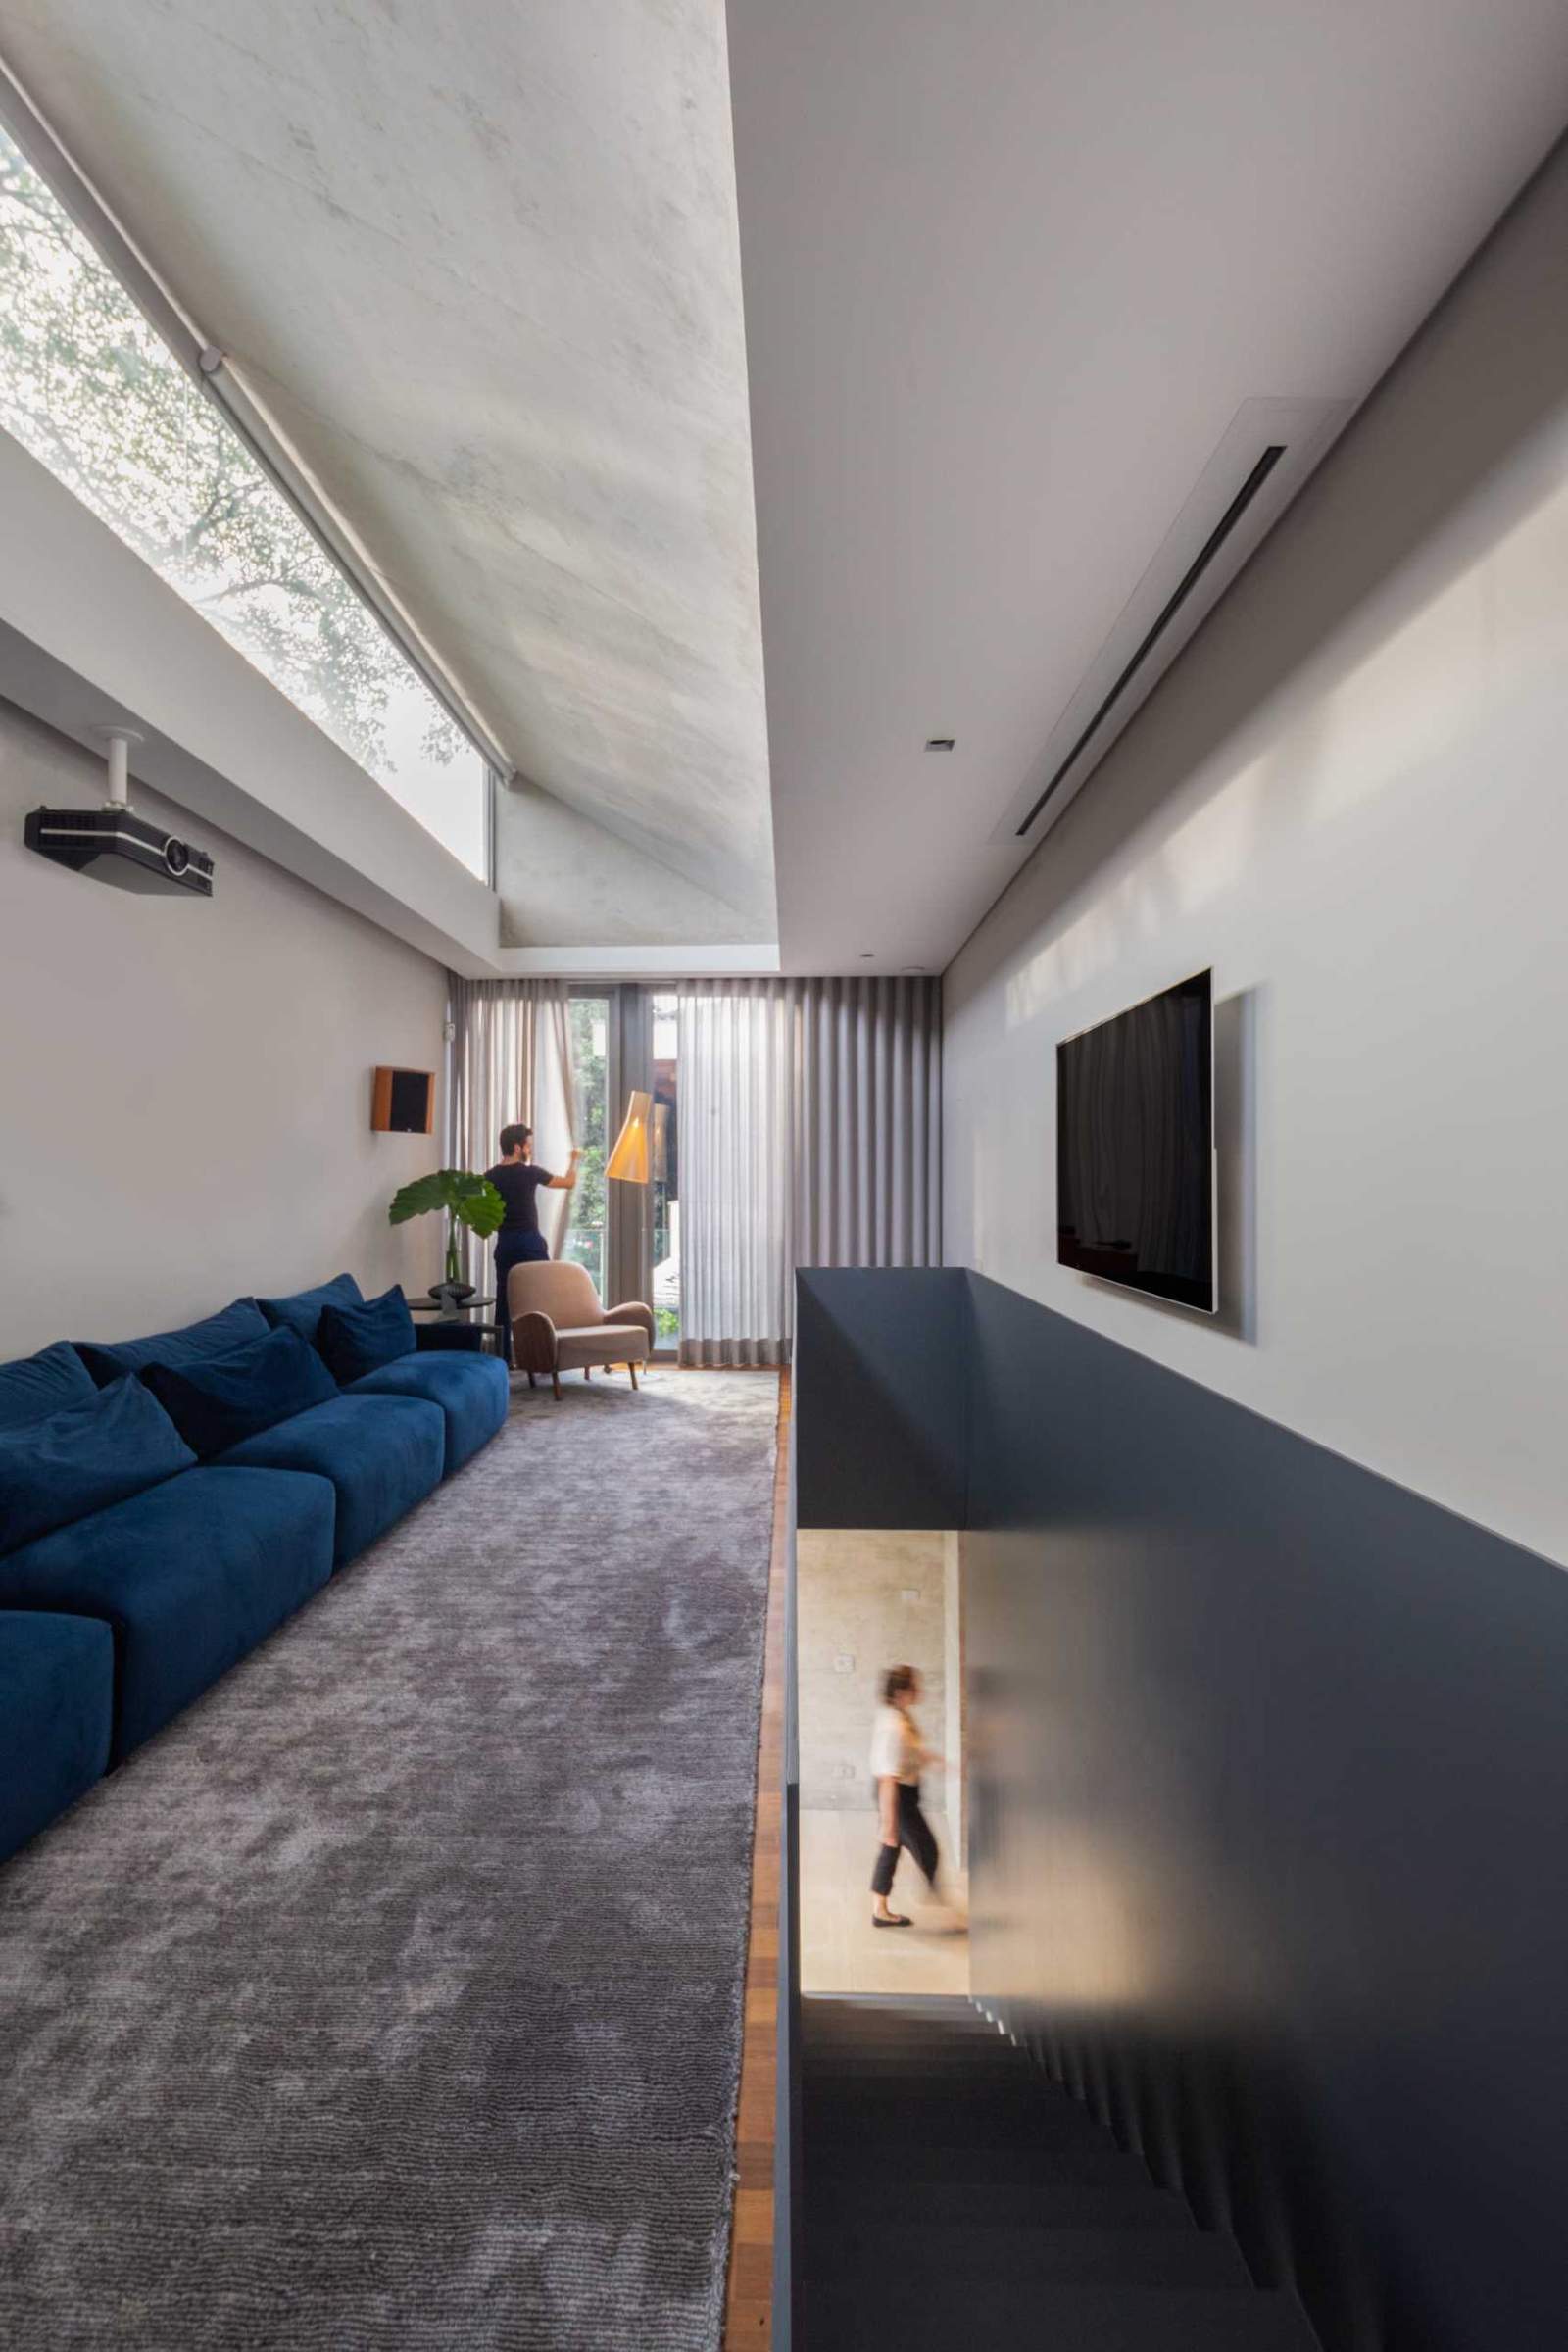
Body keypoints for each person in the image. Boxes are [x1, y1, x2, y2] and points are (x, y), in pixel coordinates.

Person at [487, 1123, 581, 1361]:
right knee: (543, 1296)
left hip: (505, 1243)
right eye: (528, 1145)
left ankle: (503, 1360)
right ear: (518, 1147)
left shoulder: (489, 1177)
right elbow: (568, 1183)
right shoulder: (530, 1173)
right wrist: (574, 1159)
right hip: (529, 1241)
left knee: (505, 1301)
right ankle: (547, 1356)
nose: (530, 1149)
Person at [869, 1663, 944, 1927]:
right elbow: (888, 1778)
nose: (919, 1690)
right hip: (896, 1795)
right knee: (926, 1850)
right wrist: (889, 1823)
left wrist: (943, 1764)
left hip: (902, 1794)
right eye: (914, 1687)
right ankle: (934, 1897)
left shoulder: (899, 1715)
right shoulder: (894, 1726)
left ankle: (880, 1909)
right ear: (901, 1692)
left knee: (891, 1849)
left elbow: (912, 1752)